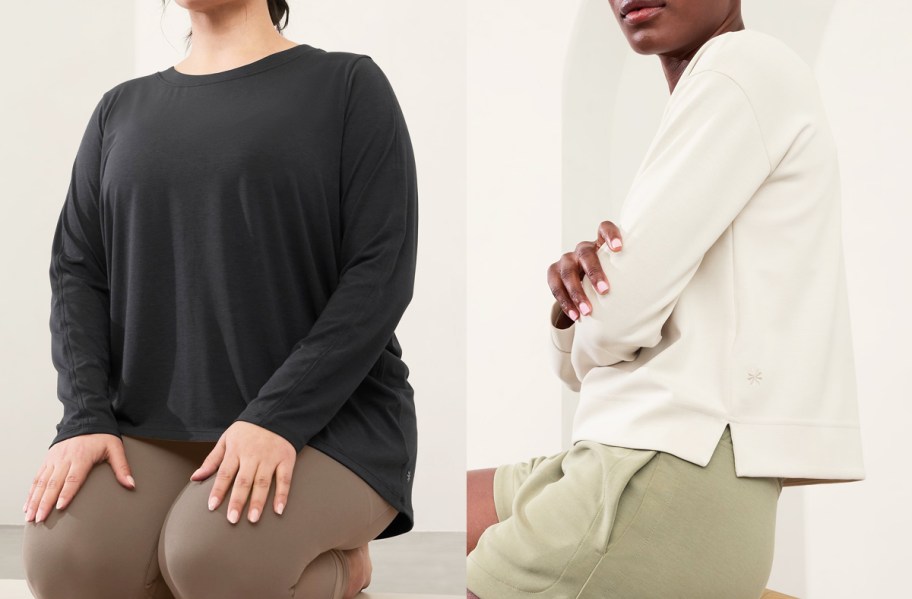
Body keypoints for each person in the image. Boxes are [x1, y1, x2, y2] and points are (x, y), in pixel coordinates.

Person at [466, 0, 865, 597]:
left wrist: (600, 313)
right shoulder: (720, 92)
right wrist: (575, 307)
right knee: (443, 513)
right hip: (627, 454)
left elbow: (618, 319)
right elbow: (594, 341)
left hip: (666, 467)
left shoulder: (739, 69)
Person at [21, 1, 418, 598]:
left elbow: (379, 274)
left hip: (327, 426)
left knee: (213, 560)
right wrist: (83, 416)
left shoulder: (347, 86)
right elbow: (78, 271)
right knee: (66, 561)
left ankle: (345, 570)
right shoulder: (119, 110)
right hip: (156, 427)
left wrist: (276, 419)